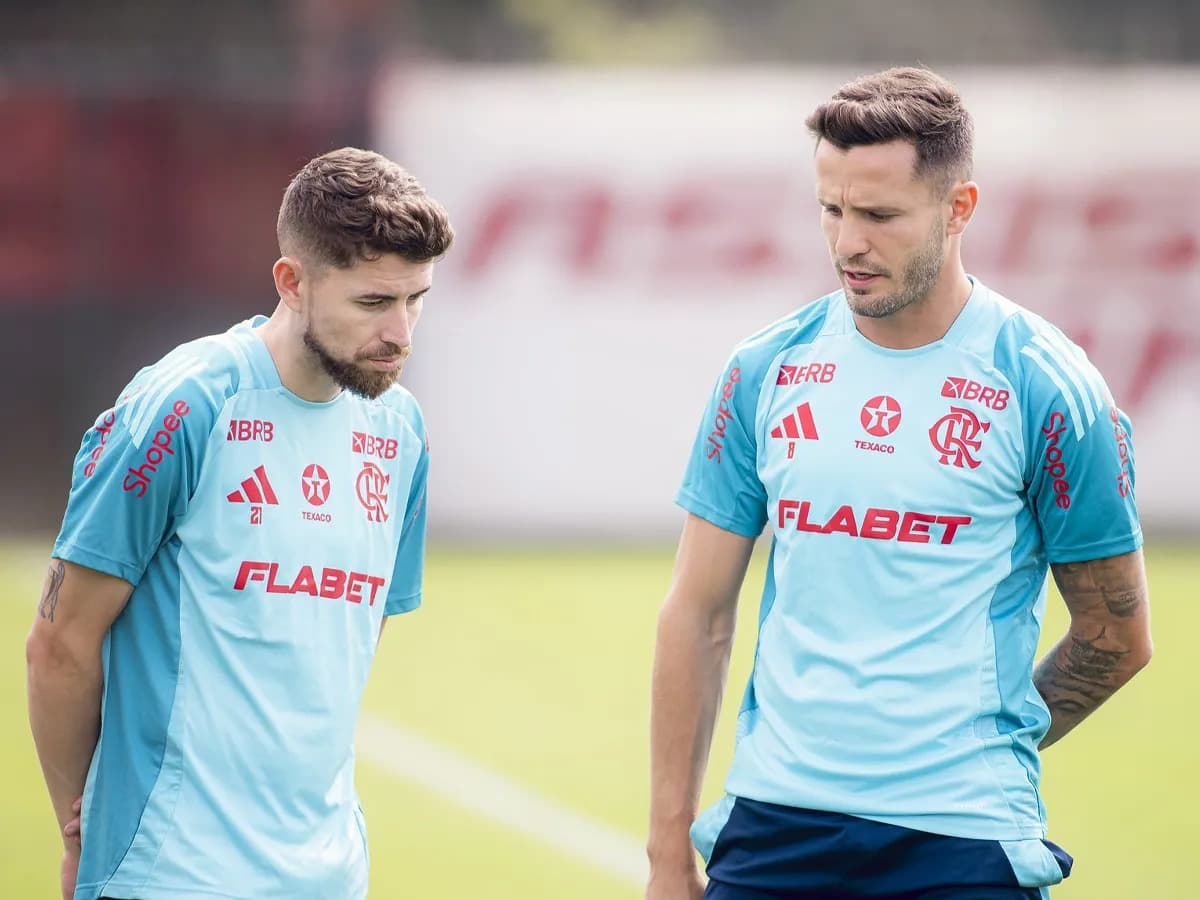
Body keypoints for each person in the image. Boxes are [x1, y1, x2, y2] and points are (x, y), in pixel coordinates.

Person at [647, 67, 1153, 900]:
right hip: (774, 829)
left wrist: (975, 749)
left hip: (962, 845)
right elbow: (696, 614)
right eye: (831, 210)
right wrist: (668, 855)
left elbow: (1115, 634)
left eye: (880, 215)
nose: (848, 242)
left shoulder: (1046, 386)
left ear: (959, 210)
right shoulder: (765, 369)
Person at [26, 147, 453, 900]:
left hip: (331, 876)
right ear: (292, 282)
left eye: (415, 299)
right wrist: (83, 822)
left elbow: (351, 643)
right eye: (373, 303)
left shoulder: (401, 432)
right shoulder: (185, 406)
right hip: (170, 872)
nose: (402, 332)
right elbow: (60, 640)